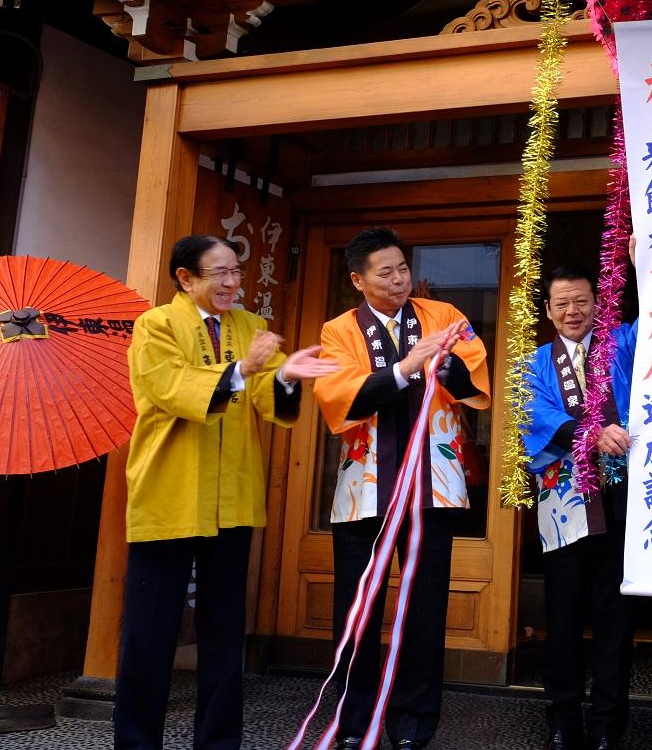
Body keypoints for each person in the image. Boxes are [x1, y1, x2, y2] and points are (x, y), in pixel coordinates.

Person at [118, 234, 337, 750]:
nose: (233, 282)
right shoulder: (156, 325)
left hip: (232, 498)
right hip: (168, 494)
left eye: (236, 272)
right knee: (149, 635)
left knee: (224, 633)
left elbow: (266, 400)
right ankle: (135, 743)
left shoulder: (250, 327)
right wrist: (244, 369)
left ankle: (218, 744)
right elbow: (171, 389)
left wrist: (283, 374)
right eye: (220, 273)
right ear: (185, 278)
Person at [313, 227, 492, 750]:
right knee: (358, 609)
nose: (397, 279)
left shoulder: (444, 317)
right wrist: (407, 368)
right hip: (363, 491)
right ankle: (354, 721)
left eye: (402, 268)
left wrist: (449, 362)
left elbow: (472, 383)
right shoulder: (338, 330)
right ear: (358, 279)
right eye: (384, 271)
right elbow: (339, 395)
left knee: (424, 607)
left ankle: (414, 723)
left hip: (431, 489)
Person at [523, 265, 636, 750]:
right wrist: (591, 433)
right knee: (563, 616)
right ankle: (562, 716)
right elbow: (537, 415)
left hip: (623, 501)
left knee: (615, 617)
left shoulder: (622, 343)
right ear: (548, 310)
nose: (573, 312)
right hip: (565, 505)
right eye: (562, 304)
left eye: (582, 301)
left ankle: (609, 722)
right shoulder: (534, 362)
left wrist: (644, 264)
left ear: (599, 302)